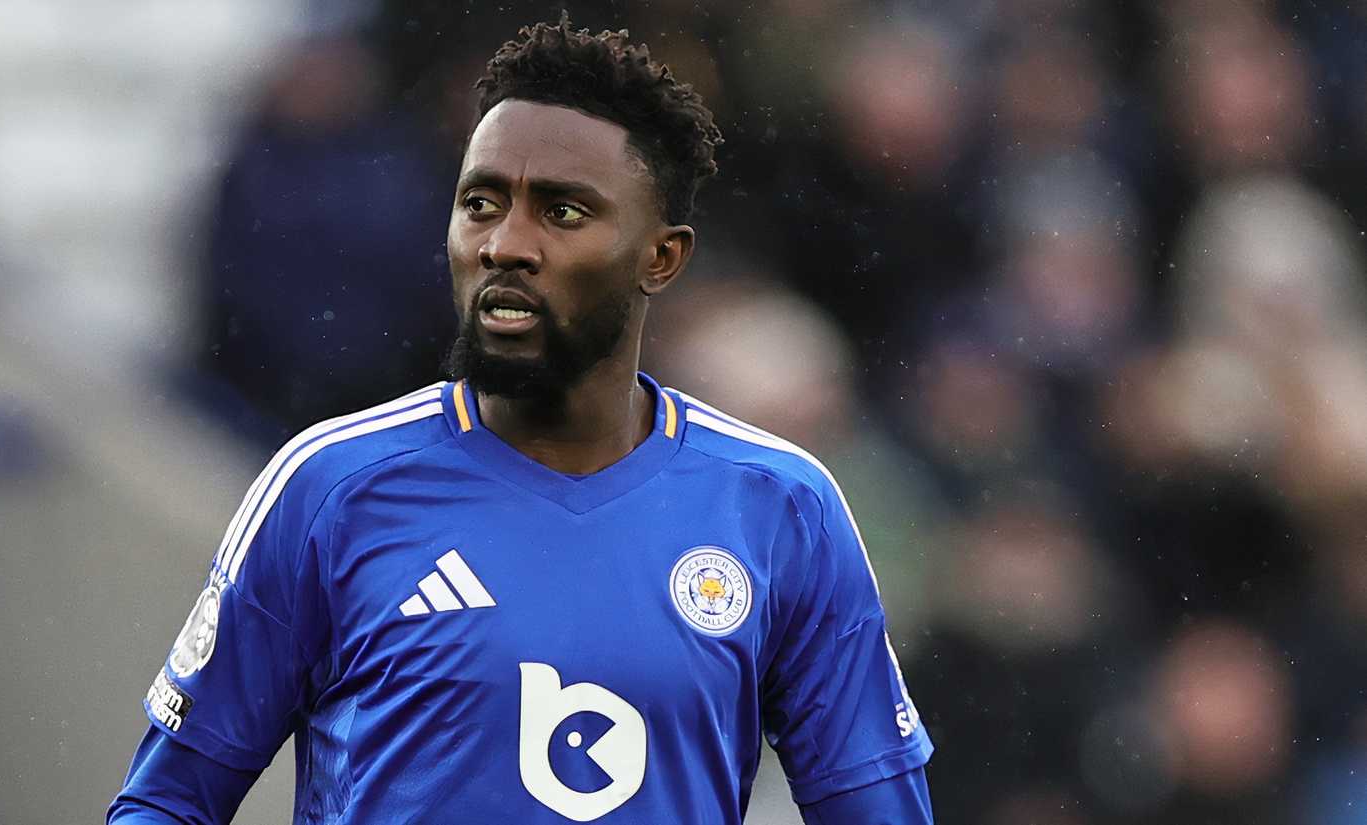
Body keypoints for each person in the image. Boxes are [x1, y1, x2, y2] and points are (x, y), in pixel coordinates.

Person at [109, 17, 933, 824]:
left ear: (661, 257)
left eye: (562, 212)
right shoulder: (329, 487)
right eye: (481, 202)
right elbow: (168, 800)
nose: (505, 243)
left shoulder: (780, 508)